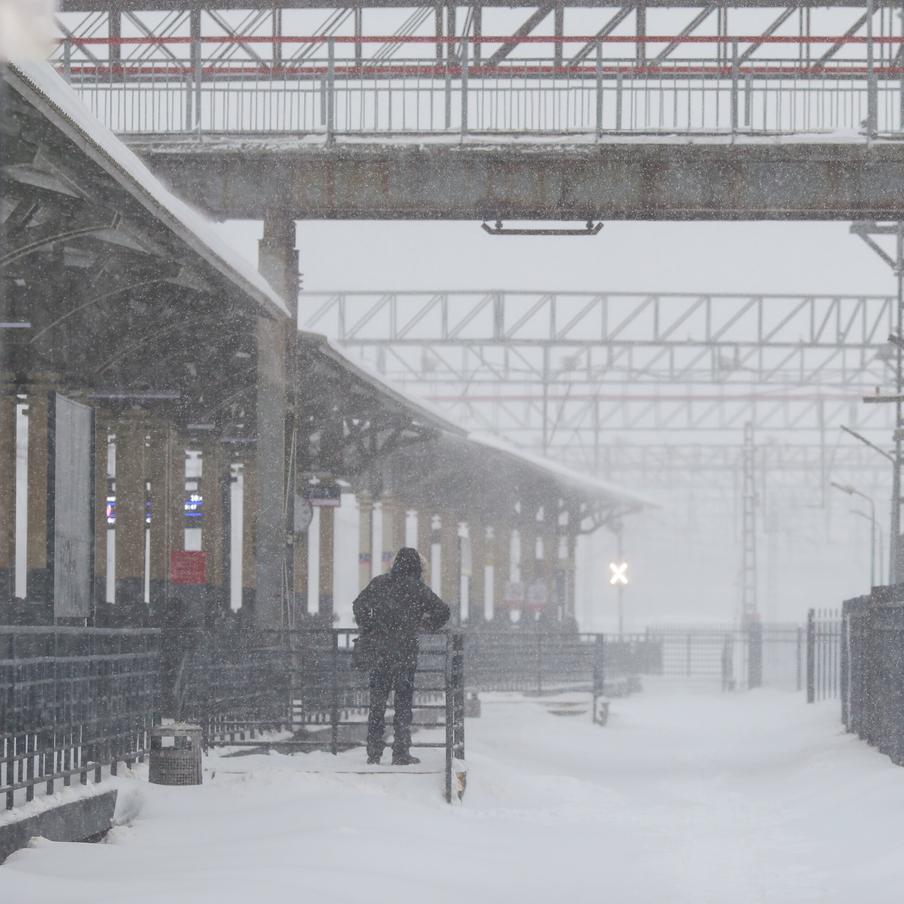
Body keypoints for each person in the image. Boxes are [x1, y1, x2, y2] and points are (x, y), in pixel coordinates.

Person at [352, 547, 450, 765]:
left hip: (379, 652)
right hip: (404, 653)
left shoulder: (379, 583)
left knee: (377, 704)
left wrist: (368, 626)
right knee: (403, 705)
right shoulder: (418, 589)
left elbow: (358, 605)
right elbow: (444, 611)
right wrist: (427, 624)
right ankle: (400, 752)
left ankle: (374, 751)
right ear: (416, 566)